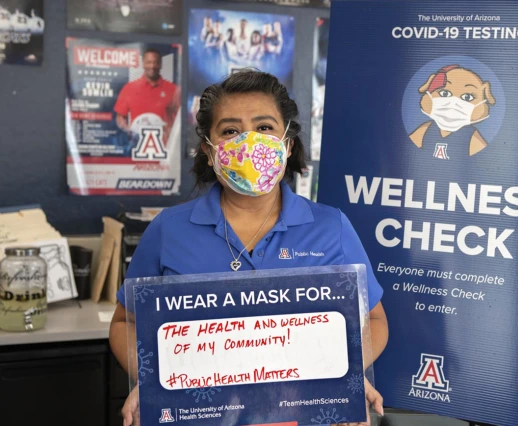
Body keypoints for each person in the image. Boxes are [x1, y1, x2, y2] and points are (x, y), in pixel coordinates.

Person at [110, 70, 388, 426]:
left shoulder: (331, 226)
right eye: (230, 131)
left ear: (287, 144)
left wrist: (343, 372)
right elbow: (124, 323)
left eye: (264, 127)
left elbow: (375, 320)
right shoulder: (169, 230)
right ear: (209, 152)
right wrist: (155, 379)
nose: (249, 141)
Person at [114, 48, 180, 148]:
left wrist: (172, 132)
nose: (152, 66)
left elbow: (180, 118)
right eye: (149, 62)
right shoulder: (129, 88)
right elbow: (120, 117)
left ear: (160, 64)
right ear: (143, 64)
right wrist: (128, 130)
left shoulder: (173, 89)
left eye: (156, 62)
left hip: (164, 150)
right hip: (137, 148)